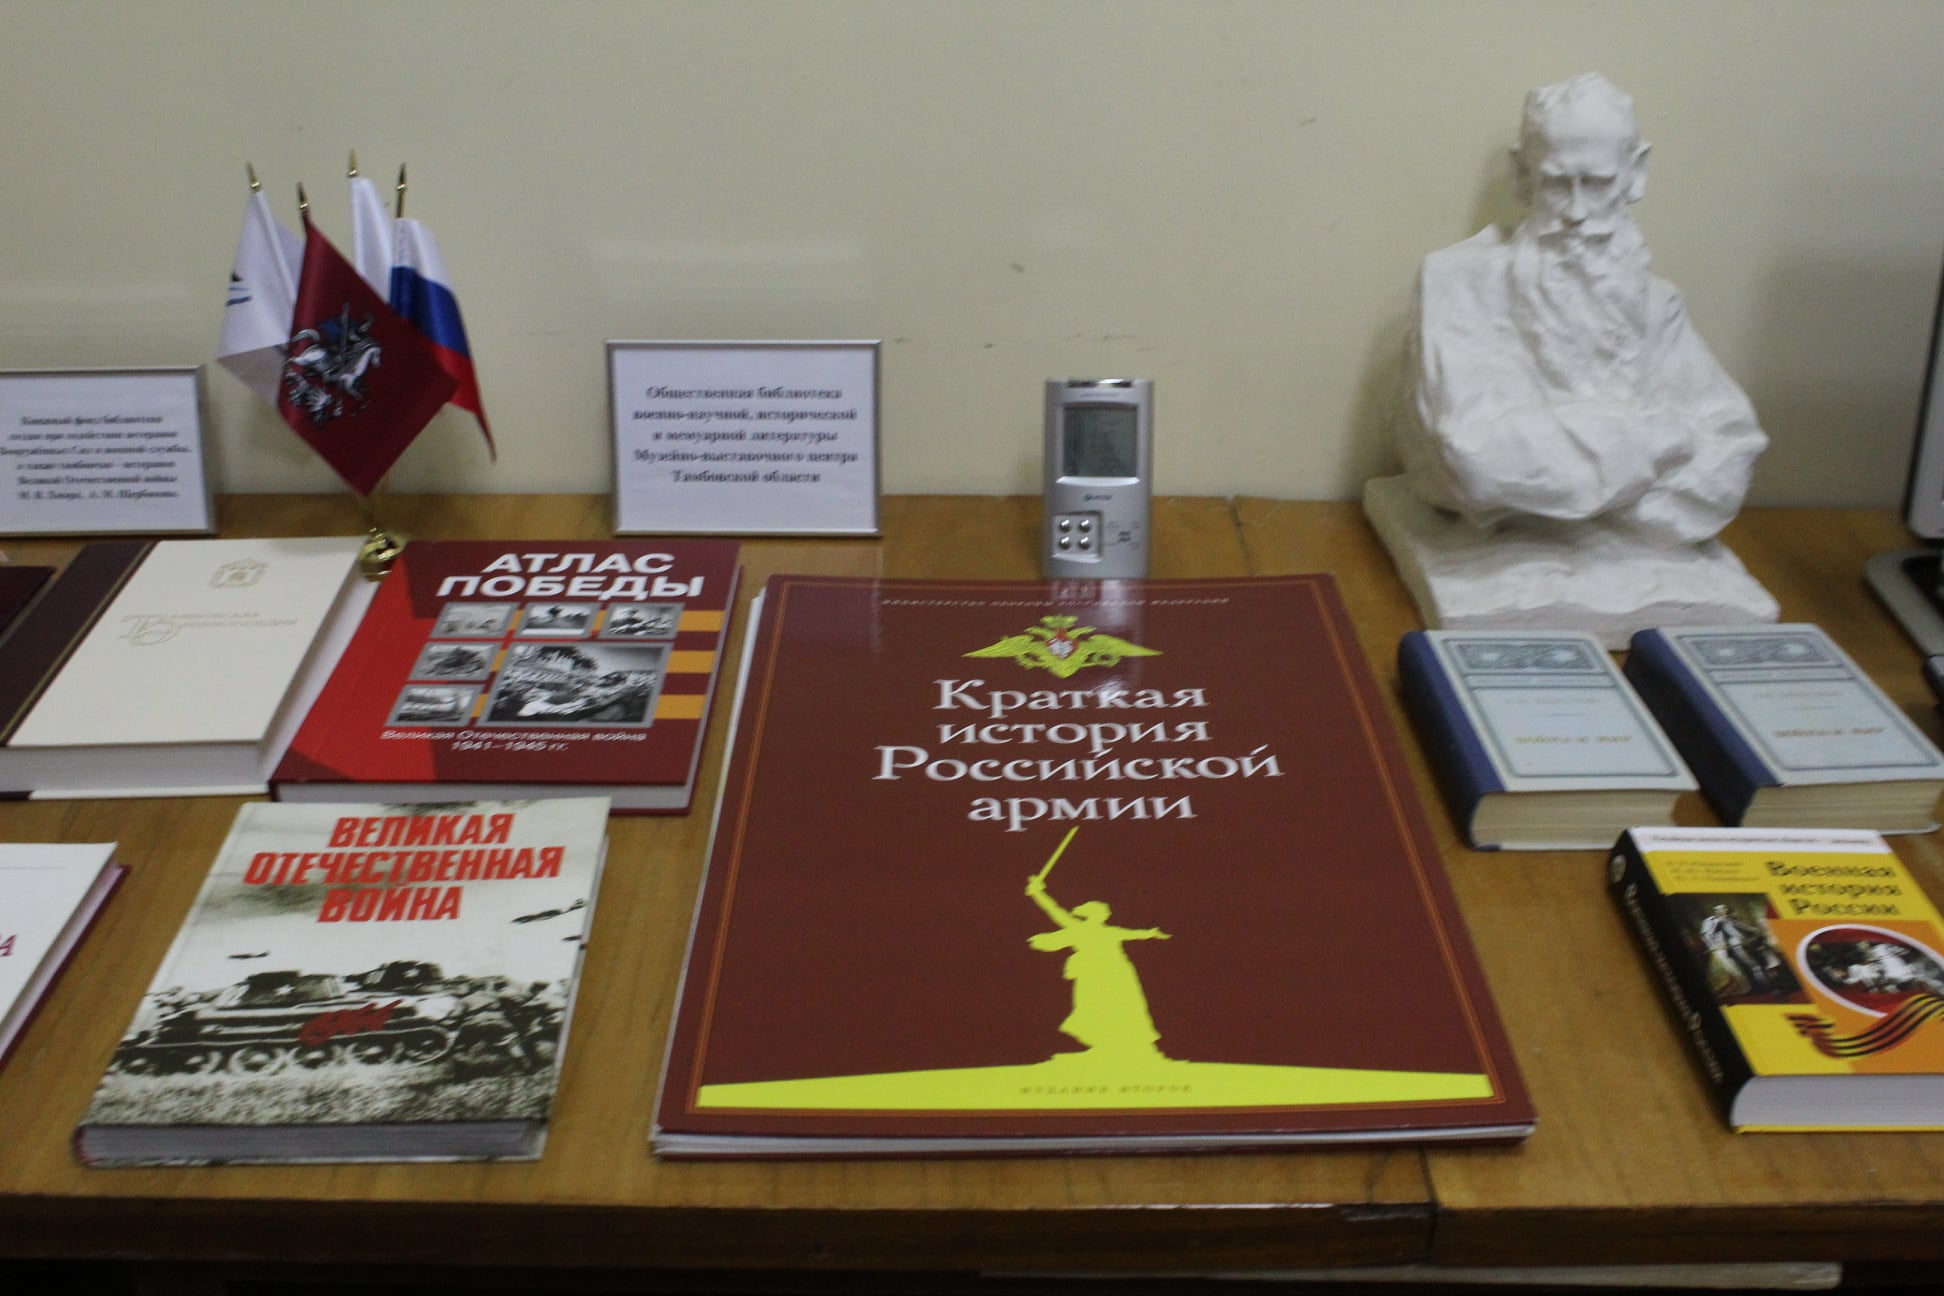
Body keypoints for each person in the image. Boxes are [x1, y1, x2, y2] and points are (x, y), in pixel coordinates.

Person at [1396, 73, 1766, 547]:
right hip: (1505, 537)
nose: (1575, 211)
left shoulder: (1658, 304)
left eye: (1596, 183)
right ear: (1522, 174)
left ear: (1636, 172)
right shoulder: (1454, 282)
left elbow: (1732, 447)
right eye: (1556, 183)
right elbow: (1470, 456)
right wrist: (1662, 436)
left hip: (1621, 546)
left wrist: (1557, 457)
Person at [1025, 871, 1170, 1060]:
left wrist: (1151, 933)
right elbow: (1053, 910)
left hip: (1116, 972)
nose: (1105, 915)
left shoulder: (1111, 931)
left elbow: (1135, 934)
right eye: (1101, 912)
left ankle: (1128, 1044)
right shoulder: (1078, 927)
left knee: (1122, 1005)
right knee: (1093, 1006)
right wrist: (1038, 893)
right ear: (1092, 914)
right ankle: (1104, 1044)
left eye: (1105, 913)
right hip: (1093, 972)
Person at [1699, 904, 1776, 994]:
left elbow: (1743, 927)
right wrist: (1716, 945)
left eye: (1725, 909)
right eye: (1721, 909)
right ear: (1716, 911)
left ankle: (1764, 985)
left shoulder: (1730, 919)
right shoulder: (1715, 922)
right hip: (1735, 947)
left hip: (1746, 944)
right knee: (1754, 967)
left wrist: (1756, 930)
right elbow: (1707, 935)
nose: (1724, 911)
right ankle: (1764, 987)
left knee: (1758, 964)